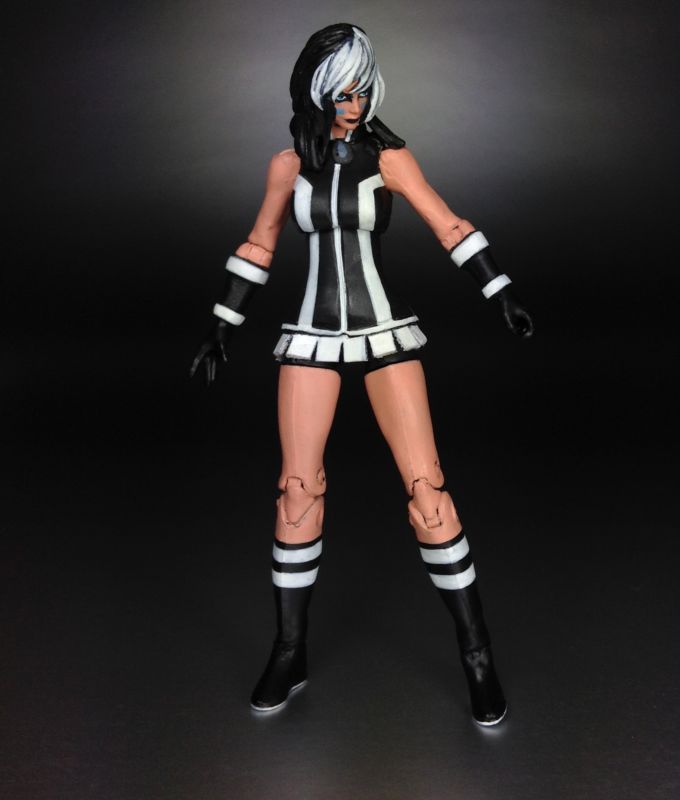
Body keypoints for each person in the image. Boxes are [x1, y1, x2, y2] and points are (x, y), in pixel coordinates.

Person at [191, 23, 532, 726]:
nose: (355, 104)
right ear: (317, 93)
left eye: (363, 90)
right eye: (342, 92)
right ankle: (290, 649)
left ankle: (476, 653)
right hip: (312, 336)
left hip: (385, 332)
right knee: (296, 492)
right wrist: (222, 326)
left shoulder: (391, 158)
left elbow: (446, 223)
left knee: (428, 492)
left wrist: (500, 292)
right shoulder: (288, 166)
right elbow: (260, 241)